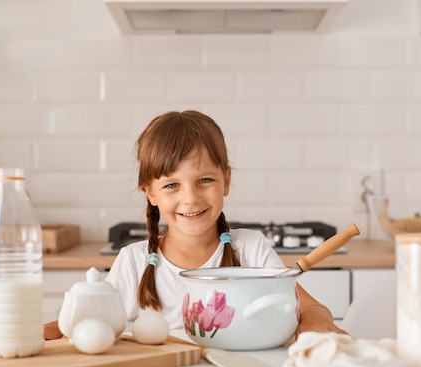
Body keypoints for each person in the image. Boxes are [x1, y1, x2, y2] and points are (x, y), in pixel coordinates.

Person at [44, 110, 347, 341]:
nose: (190, 198)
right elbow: (91, 326)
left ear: (226, 181)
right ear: (150, 192)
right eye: (172, 185)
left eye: (204, 180)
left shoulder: (250, 250)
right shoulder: (134, 262)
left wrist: (316, 327)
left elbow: (311, 308)